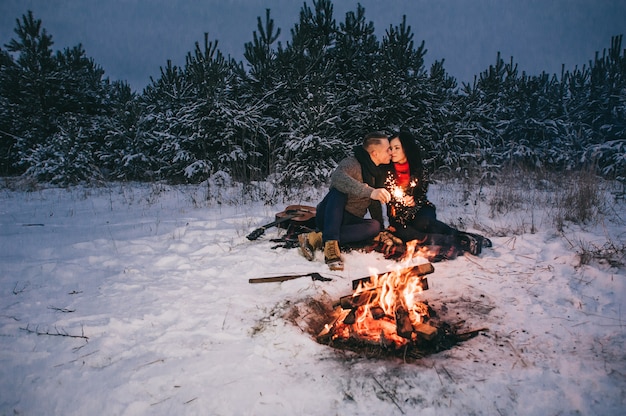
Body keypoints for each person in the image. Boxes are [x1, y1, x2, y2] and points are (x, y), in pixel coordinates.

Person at [384, 131, 492, 259]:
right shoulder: (387, 172)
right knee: (407, 233)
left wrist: (413, 203)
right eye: (390, 148)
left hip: (420, 210)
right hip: (399, 217)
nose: (392, 152)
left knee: (423, 223)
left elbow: (420, 196)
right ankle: (459, 241)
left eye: (397, 148)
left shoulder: (419, 170)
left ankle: (465, 237)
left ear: (406, 149)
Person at [298, 132, 393, 270]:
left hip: (350, 221)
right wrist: (370, 192)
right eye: (387, 149)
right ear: (375, 153)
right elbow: (337, 178)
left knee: (375, 226)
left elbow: (374, 203)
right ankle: (331, 244)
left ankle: (315, 238)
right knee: (339, 191)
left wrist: (382, 230)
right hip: (329, 215)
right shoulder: (353, 163)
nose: (390, 152)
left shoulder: (377, 173)